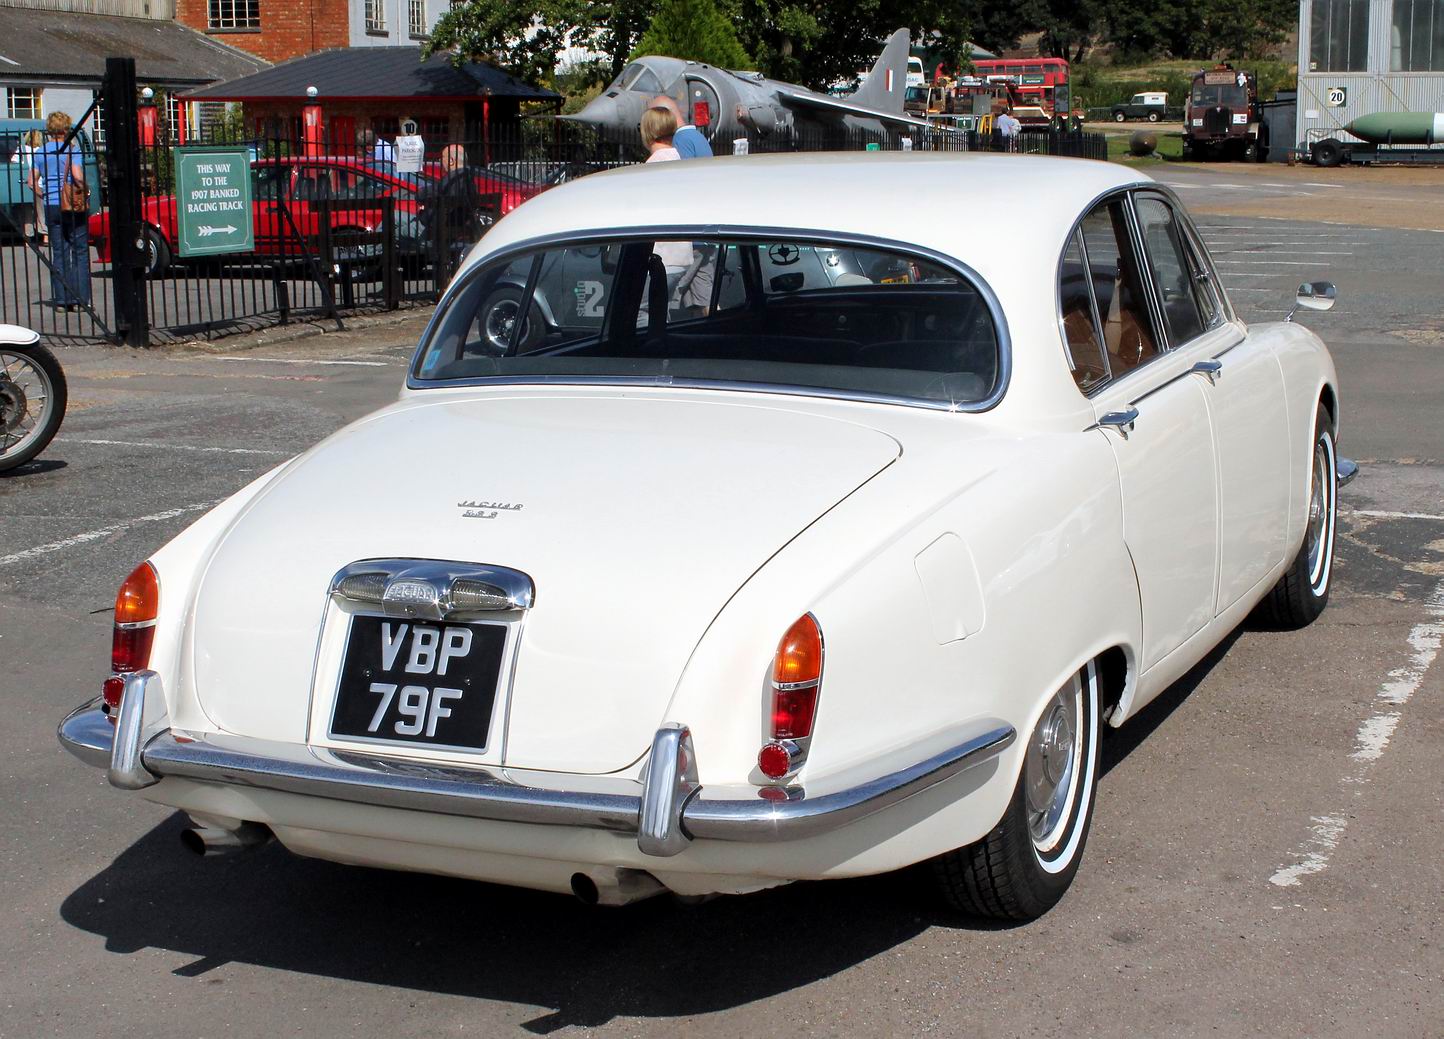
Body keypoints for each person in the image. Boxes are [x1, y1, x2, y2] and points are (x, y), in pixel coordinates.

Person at [30, 112, 90, 310]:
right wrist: (85, 189)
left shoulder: (40, 152)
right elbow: (77, 175)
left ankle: (62, 300)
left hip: (52, 204)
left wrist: (44, 195)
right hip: (71, 204)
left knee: (59, 251)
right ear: (65, 129)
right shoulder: (72, 150)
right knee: (79, 251)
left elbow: (32, 182)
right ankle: (80, 300)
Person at [418, 144, 486, 281]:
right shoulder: (470, 179)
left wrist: (422, 215)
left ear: (451, 161)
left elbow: (421, 195)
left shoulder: (449, 181)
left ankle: (370, 256)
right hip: (464, 229)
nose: (439, 162)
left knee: (396, 220)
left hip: (440, 231)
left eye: (441, 158)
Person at [21, 129, 46, 244]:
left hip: (24, 183)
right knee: (41, 212)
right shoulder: (42, 151)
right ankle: (46, 236)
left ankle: (28, 237)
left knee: (27, 212)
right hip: (40, 184)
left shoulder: (21, 150)